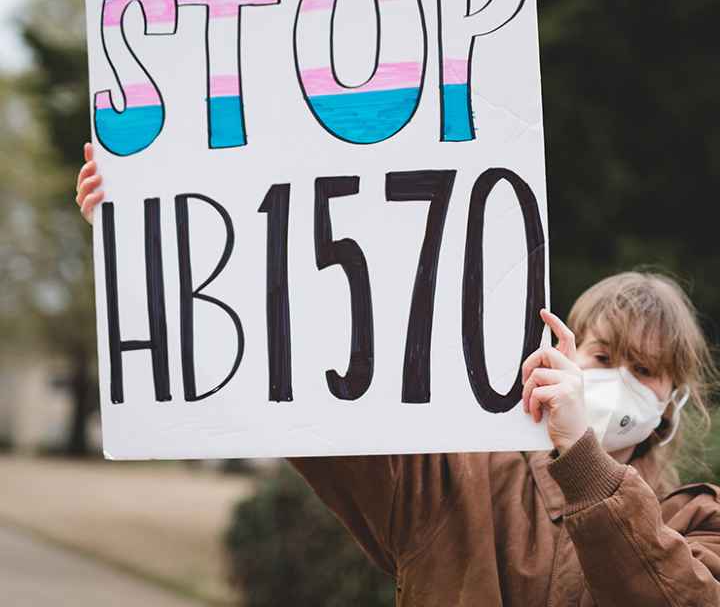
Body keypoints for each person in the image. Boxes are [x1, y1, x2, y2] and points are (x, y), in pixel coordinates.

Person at [76, 142, 720, 606]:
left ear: (673, 401)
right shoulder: (461, 474)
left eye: (644, 370)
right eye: (603, 357)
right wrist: (139, 239)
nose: (616, 380)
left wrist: (582, 461)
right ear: (564, 353)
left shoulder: (697, 524)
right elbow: (302, 394)